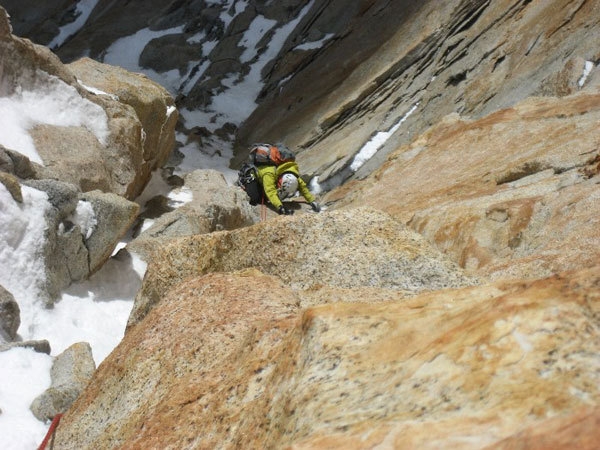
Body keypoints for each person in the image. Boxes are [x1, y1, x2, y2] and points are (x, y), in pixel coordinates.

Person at [256, 160, 321, 215]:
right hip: (258, 183)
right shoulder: (268, 174)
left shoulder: (294, 177)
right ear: (280, 181)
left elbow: (303, 188)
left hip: (271, 181)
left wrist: (312, 201)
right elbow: (270, 191)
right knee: (257, 198)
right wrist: (280, 207)